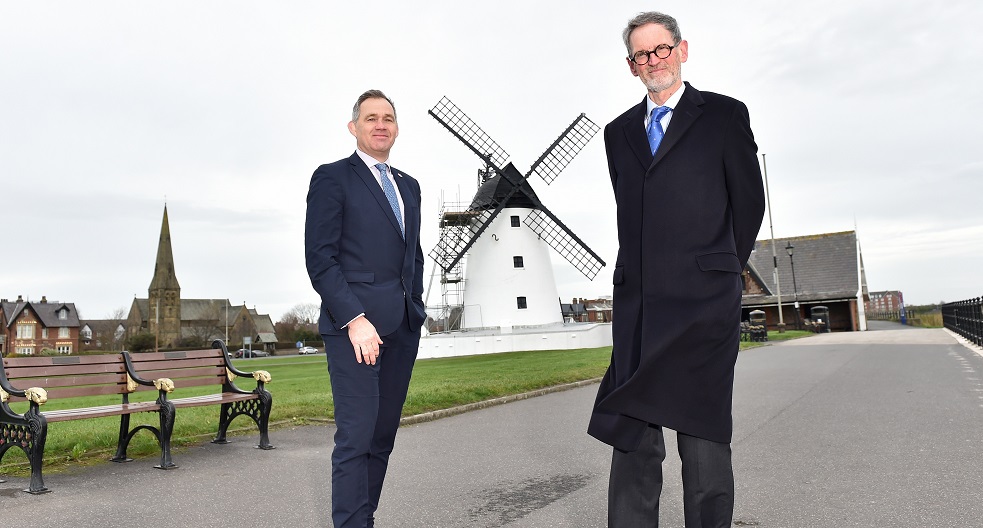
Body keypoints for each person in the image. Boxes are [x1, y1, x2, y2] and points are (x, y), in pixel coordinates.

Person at [587, 12, 766, 528]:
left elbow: (747, 205)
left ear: (682, 51)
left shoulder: (725, 116)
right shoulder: (617, 133)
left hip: (704, 303)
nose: (653, 62)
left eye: (661, 50)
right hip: (640, 305)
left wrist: (719, 271)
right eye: (642, 55)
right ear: (630, 65)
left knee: (703, 432)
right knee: (633, 432)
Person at [305, 89, 427, 528]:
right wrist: (354, 319)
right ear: (353, 127)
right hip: (355, 330)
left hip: (402, 328)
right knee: (356, 438)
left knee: (381, 438)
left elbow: (413, 256)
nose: (381, 124)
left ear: (396, 128)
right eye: (371, 117)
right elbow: (321, 258)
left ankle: (364, 519)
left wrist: (416, 307)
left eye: (389, 118)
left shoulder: (408, 186)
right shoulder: (333, 178)